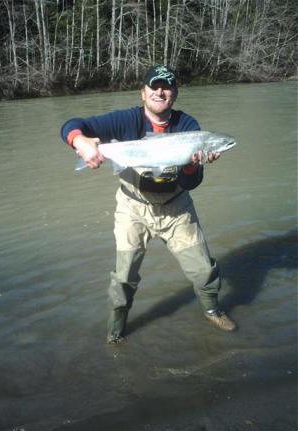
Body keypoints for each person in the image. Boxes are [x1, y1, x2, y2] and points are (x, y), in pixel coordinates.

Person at [61, 65, 237, 343]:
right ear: (143, 92)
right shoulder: (124, 120)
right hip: (132, 208)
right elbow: (71, 124)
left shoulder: (189, 127)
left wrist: (192, 167)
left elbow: (190, 184)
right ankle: (115, 332)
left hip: (176, 207)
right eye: (154, 86)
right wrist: (80, 141)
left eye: (167, 87)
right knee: (123, 277)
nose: (160, 91)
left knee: (204, 270)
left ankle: (212, 309)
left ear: (175, 94)